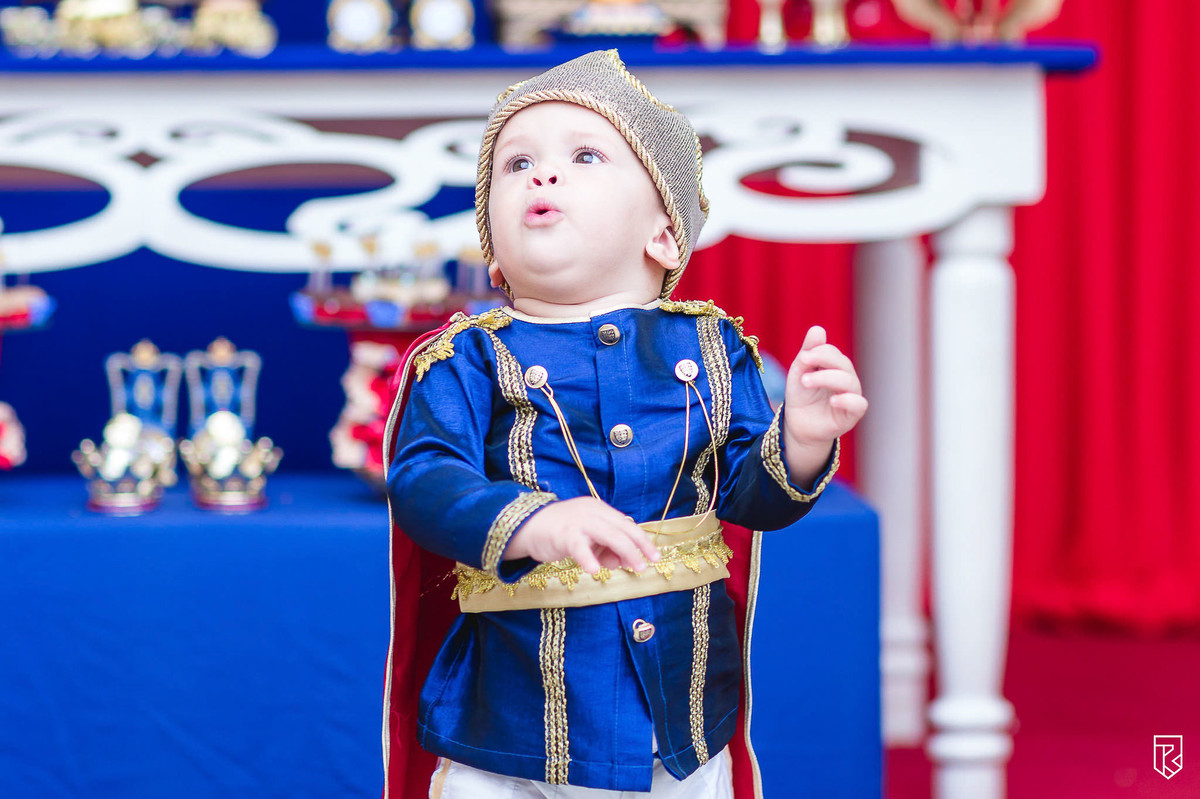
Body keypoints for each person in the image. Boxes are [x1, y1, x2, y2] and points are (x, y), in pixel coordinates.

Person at [383, 49, 867, 799]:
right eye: (515, 165)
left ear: (665, 237)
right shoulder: (464, 358)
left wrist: (801, 440)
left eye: (584, 155)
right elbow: (422, 480)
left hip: (679, 726)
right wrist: (530, 524)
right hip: (511, 729)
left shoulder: (712, 346)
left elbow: (747, 498)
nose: (542, 176)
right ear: (495, 257)